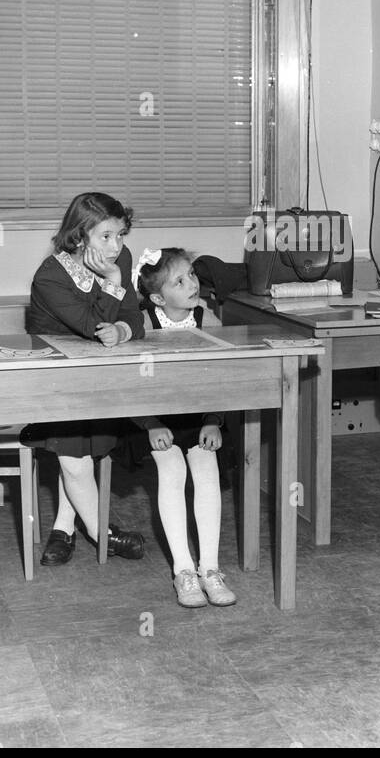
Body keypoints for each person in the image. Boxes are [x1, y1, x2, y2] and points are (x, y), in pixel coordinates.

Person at [27, 192, 146, 565]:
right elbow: (89, 326)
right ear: (79, 238)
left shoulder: (119, 258)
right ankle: (102, 533)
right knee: (76, 459)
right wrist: (112, 281)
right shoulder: (50, 275)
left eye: (121, 234)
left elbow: (135, 317)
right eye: (106, 236)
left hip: (97, 376)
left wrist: (124, 331)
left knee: (77, 451)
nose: (117, 246)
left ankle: (64, 526)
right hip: (53, 378)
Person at [130, 247, 236, 608]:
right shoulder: (143, 324)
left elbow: (225, 379)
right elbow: (130, 383)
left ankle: (210, 568)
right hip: (153, 420)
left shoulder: (210, 320)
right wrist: (150, 424)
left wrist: (213, 420)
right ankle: (183, 570)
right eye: (180, 280)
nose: (192, 283)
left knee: (206, 467)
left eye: (192, 274)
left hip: (198, 418)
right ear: (159, 297)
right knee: (172, 468)